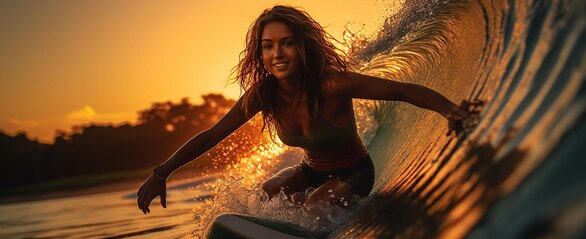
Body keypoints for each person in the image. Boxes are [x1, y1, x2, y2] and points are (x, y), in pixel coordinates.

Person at [137, 5, 480, 214]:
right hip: (310, 170)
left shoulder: (332, 84)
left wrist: (451, 110)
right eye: (268, 46)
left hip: (355, 173)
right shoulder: (263, 94)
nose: (278, 53)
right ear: (260, 55)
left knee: (316, 205)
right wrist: (161, 172)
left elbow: (401, 90)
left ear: (302, 46)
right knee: (260, 199)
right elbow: (214, 133)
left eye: (287, 43)